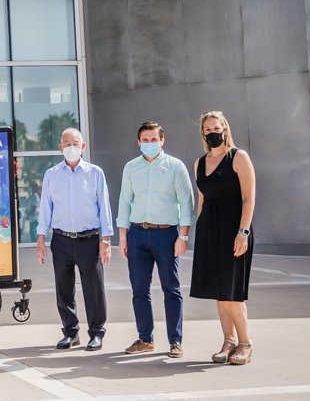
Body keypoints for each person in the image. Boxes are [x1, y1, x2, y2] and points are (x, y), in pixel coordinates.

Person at [117, 121, 195, 358]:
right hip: (137, 234)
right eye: (145, 140)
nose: (149, 144)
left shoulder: (175, 167)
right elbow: (124, 202)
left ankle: (175, 341)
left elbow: (187, 203)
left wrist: (183, 236)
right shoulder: (131, 168)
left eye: (154, 140)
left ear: (162, 140)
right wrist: (123, 237)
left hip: (167, 235)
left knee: (171, 288)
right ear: (138, 142)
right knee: (139, 289)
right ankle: (144, 339)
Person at [35, 128, 113, 351]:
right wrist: (41, 239)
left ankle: (96, 333)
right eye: (66, 143)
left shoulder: (95, 173)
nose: (71, 147)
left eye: (75, 143)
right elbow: (45, 209)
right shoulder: (51, 175)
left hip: (89, 239)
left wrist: (105, 240)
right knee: (63, 289)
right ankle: (70, 332)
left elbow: (104, 208)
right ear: (60, 147)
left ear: (83, 147)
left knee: (94, 289)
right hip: (60, 240)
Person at [190, 111, 256, 365]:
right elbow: (202, 200)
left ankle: (245, 343)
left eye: (216, 128)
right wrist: (200, 229)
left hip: (234, 229)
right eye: (207, 129)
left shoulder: (239, 157)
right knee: (219, 292)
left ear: (225, 129)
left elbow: (249, 198)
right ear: (203, 133)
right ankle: (228, 342)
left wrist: (244, 232)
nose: (212, 132)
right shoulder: (199, 163)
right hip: (209, 231)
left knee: (232, 291)